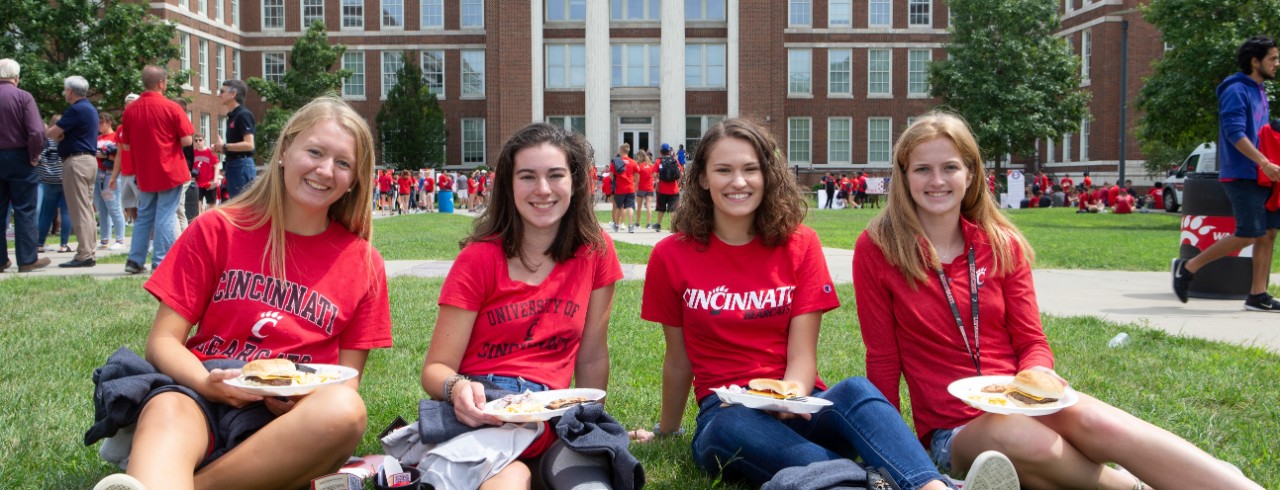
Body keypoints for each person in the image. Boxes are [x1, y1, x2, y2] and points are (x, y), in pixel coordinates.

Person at [854, 112, 1263, 490]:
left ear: (971, 173)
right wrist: (894, 452)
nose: (937, 180)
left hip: (1022, 400)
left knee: (1098, 421)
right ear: (904, 175)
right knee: (1021, 439)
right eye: (923, 169)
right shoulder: (880, 249)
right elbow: (884, 361)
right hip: (952, 430)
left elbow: (1032, 342)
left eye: (950, 167)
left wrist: (1038, 375)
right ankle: (1128, 486)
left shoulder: (1002, 244)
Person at [644, 118, 1018, 490]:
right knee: (730, 425)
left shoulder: (800, 244)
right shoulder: (671, 255)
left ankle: (926, 485)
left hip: (802, 403)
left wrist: (788, 395)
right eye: (723, 170)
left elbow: (803, 354)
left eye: (750, 169)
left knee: (856, 389)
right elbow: (679, 359)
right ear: (704, 178)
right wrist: (667, 430)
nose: (738, 182)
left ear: (767, 175)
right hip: (726, 415)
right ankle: (920, 485)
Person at [88, 96, 391, 490]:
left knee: (346, 410)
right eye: (314, 152)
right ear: (285, 151)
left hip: (289, 422)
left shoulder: (363, 263)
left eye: (343, 163)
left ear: (355, 179)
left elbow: (347, 381)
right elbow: (162, 341)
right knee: (166, 408)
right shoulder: (218, 228)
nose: (324, 170)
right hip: (202, 392)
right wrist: (204, 381)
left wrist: (297, 400)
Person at [420, 122, 628, 489]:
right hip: (490, 412)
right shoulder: (479, 258)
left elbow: (592, 354)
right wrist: (456, 389)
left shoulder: (596, 251)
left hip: (556, 417)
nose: (543, 190)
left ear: (575, 182)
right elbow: (436, 368)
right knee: (509, 482)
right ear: (509, 185)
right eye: (528, 176)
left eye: (555, 175)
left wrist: (593, 419)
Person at [1174, 36, 1280, 310]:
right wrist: (1263, 162)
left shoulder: (1260, 91)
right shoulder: (1236, 90)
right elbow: (1234, 133)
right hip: (1242, 174)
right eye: (1272, 58)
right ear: (1255, 62)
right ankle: (1188, 267)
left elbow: (1262, 132)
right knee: (1247, 233)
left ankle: (1258, 295)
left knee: (1268, 232)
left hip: (1263, 174)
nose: (1277, 63)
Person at [120, 65, 194, 274]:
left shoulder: (131, 110)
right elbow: (187, 140)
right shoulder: (171, 107)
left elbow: (125, 145)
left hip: (144, 171)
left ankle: (135, 260)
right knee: (166, 215)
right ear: (161, 83)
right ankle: (161, 262)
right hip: (169, 170)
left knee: (144, 215)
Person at [0, 58, 51, 273]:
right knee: (25, 209)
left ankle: (2, 260)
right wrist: (34, 155)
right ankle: (27, 259)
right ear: (16, 78)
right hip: (20, 157)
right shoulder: (23, 97)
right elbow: (37, 131)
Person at [48, 75, 99, 269]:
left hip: (76, 162)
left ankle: (84, 254)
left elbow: (52, 133)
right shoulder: (90, 109)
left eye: (65, 90)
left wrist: (51, 131)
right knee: (86, 209)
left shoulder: (76, 109)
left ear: (70, 91)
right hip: (88, 161)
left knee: (78, 210)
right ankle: (89, 251)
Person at [213, 79, 256, 198]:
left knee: (243, 204)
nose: (219, 94)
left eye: (222, 91)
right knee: (237, 204)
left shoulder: (243, 115)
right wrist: (220, 148)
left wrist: (225, 146)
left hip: (241, 165)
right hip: (234, 165)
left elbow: (249, 144)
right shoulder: (233, 116)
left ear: (233, 94)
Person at [36, 116, 73, 254]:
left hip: (48, 181)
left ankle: (40, 244)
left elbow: (40, 159)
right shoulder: (67, 141)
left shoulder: (46, 142)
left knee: (46, 213)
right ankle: (64, 245)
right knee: (66, 212)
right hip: (65, 180)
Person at [95, 113, 127, 250]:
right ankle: (104, 239)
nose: (100, 125)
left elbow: (121, 158)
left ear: (109, 122)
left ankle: (120, 239)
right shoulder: (97, 138)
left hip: (111, 174)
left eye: (102, 122)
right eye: (98, 123)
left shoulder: (115, 137)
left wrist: (106, 155)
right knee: (101, 209)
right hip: (98, 174)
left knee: (114, 207)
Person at [609, 143, 639, 232]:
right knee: (630, 207)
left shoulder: (615, 162)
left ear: (620, 151)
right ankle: (630, 226)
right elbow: (637, 176)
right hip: (630, 188)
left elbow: (611, 176)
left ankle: (616, 225)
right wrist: (635, 186)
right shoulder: (633, 162)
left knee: (619, 207)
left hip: (620, 189)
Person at [653, 143, 681, 232]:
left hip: (662, 189)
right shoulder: (675, 160)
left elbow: (654, 174)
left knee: (661, 208)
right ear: (669, 151)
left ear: (661, 152)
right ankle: (673, 227)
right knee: (673, 209)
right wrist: (679, 183)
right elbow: (681, 173)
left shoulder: (658, 161)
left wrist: (657, 180)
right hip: (674, 189)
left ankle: (658, 225)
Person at [192, 134, 220, 215]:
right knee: (197, 205)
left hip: (209, 183)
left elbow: (216, 166)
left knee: (211, 205)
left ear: (204, 141)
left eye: (200, 140)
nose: (198, 142)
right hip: (198, 183)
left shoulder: (210, 152)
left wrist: (215, 180)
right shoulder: (193, 153)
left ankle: (212, 222)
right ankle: (200, 222)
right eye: (196, 140)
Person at [635, 149, 656, 229]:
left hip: (641, 188)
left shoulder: (639, 166)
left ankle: (637, 223)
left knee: (639, 206)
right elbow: (654, 176)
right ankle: (649, 223)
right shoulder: (651, 166)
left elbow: (638, 178)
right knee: (649, 206)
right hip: (649, 188)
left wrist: (635, 186)